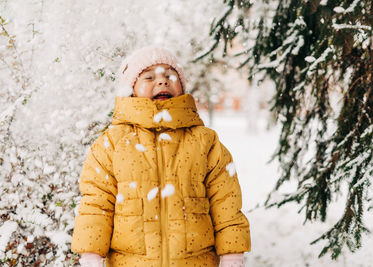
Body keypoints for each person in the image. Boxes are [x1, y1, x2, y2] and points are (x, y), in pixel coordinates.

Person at [71, 46, 251, 267]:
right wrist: (91, 255)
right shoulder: (112, 144)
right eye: (149, 77)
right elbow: (96, 205)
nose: (162, 81)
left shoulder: (205, 141)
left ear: (182, 86)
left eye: (169, 75)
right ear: (131, 90)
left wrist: (232, 254)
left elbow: (226, 202)